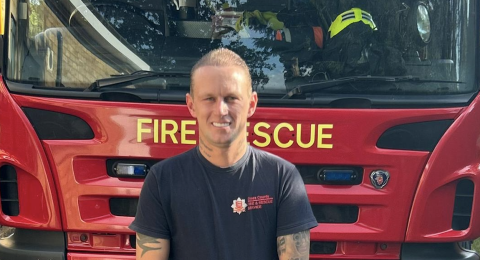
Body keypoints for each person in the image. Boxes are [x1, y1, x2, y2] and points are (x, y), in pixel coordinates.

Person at [129, 48, 318, 260]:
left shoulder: (283, 178)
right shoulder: (161, 181)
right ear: (191, 105)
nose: (221, 110)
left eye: (231, 98)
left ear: (252, 104)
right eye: (209, 98)